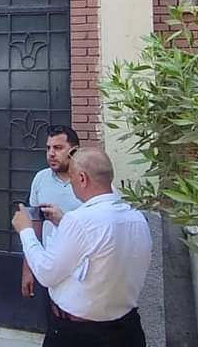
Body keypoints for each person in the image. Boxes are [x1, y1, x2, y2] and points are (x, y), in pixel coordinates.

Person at [13, 148, 152, 347]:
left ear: (82, 178)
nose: (71, 184)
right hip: (127, 331)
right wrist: (62, 222)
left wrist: (25, 231)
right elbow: (99, 250)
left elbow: (46, 273)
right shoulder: (137, 218)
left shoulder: (80, 220)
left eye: (71, 178)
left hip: (79, 334)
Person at [22, 125, 83, 301]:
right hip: (49, 268)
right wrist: (28, 269)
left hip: (81, 272)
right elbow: (35, 225)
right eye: (48, 148)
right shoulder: (41, 179)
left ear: (74, 151)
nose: (51, 154)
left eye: (58, 148)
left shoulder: (88, 182)